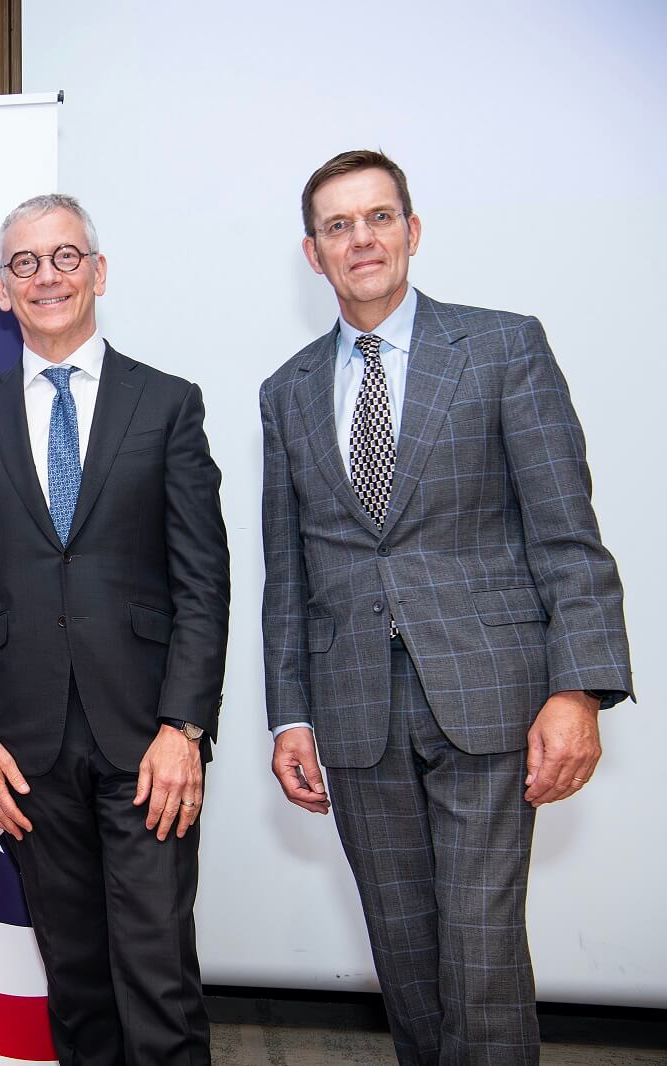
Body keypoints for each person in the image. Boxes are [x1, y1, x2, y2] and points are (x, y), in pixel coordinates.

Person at [260, 149, 633, 1065]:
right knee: (408, 960)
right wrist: (291, 713)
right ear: (314, 254)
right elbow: (289, 572)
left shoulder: (505, 348)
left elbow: (566, 534)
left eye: (379, 217)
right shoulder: (287, 391)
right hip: (355, 719)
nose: (362, 239)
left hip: (492, 701)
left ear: (413, 231)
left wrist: (578, 688)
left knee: (480, 954)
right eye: (338, 226)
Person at [0, 193, 229, 1065]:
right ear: (0, 289)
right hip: (24, 748)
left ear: (99, 272)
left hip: (149, 742)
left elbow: (202, 583)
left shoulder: (167, 404)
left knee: (158, 979)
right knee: (76, 982)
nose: (46, 277)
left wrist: (186, 727)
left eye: (65, 257)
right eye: (25, 263)